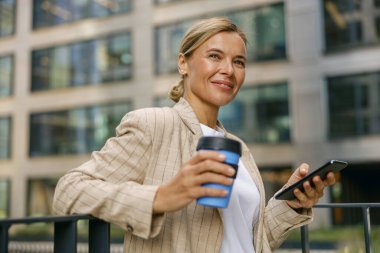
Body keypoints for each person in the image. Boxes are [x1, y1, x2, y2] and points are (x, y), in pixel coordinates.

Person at [53, 17, 336, 253]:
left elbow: (251, 241)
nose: (228, 70)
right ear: (183, 64)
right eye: (214, 56)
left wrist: (290, 201)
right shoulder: (153, 124)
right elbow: (69, 190)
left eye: (239, 62)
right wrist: (160, 198)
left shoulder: (238, 147)